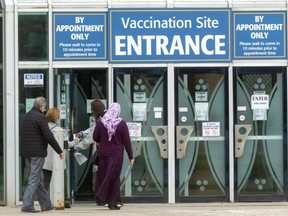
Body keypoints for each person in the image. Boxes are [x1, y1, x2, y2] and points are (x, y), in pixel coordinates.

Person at [20, 96, 64, 213]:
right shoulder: (41, 117)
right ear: (42, 106)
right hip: (37, 153)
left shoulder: (27, 116)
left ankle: (45, 204)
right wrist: (59, 150)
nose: (45, 109)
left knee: (39, 179)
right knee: (34, 178)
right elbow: (49, 136)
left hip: (27, 152)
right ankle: (26, 204)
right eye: (45, 106)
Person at [93, 102, 134, 210]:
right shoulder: (121, 124)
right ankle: (111, 201)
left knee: (105, 176)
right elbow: (127, 142)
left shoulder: (102, 122)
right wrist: (131, 156)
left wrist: (103, 140)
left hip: (103, 155)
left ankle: (104, 197)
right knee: (114, 178)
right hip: (116, 155)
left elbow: (95, 137)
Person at [42, 107, 74, 209]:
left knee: (45, 182)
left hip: (46, 160)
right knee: (63, 179)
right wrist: (76, 141)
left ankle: (44, 202)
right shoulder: (60, 130)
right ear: (56, 118)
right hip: (59, 161)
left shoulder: (43, 129)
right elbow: (66, 145)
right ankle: (64, 199)